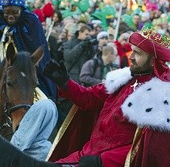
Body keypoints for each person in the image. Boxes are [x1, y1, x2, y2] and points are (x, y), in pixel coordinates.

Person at [0, 27, 169, 167]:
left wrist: (102, 161)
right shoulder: (124, 78)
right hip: (85, 155)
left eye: (138, 53)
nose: (130, 57)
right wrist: (65, 83)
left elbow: (145, 150)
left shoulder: (160, 96)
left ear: (153, 60)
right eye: (132, 51)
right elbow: (88, 99)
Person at [0, 0, 56, 101]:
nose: (10, 16)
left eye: (15, 12)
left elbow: (36, 47)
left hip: (25, 73)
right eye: (6, 12)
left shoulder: (30, 22)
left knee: (43, 100)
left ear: (21, 10)